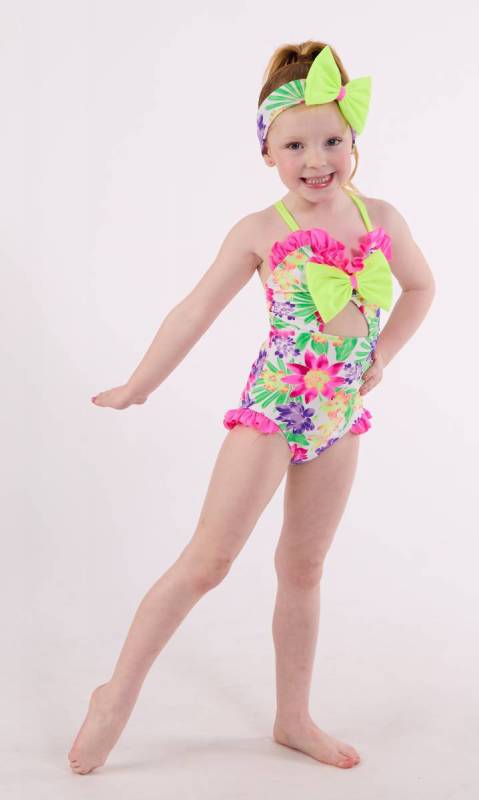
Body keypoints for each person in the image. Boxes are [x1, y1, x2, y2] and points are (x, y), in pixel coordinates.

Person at [68, 40, 435, 774]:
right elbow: (193, 311)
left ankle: (292, 717)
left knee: (304, 567)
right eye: (295, 145)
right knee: (208, 562)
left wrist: (382, 356)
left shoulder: (382, 218)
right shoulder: (260, 231)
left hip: (339, 419)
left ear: (353, 141)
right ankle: (114, 693)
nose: (316, 160)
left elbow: (421, 288)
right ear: (267, 151)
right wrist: (140, 384)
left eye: (331, 141)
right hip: (274, 411)